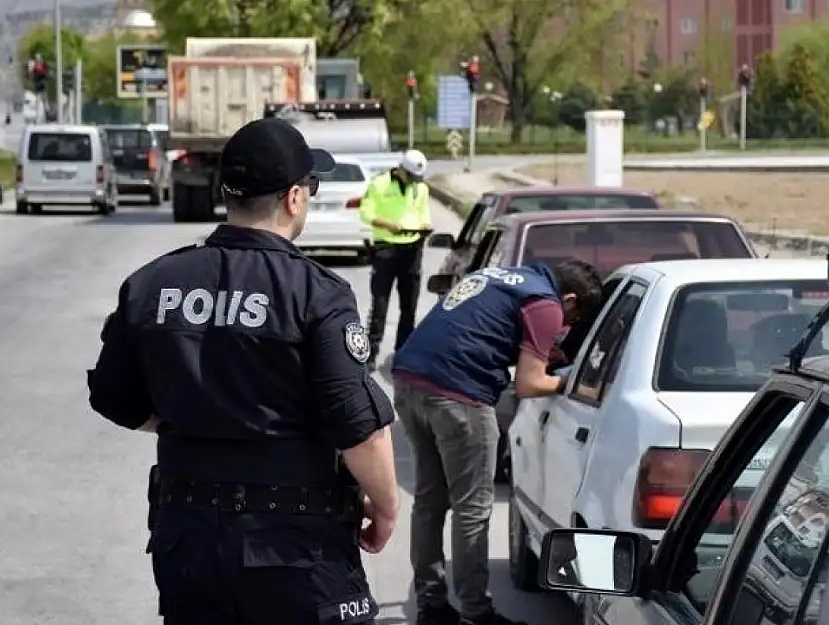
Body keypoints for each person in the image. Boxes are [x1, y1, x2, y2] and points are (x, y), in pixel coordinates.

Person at [86, 116, 399, 625]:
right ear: (294, 198)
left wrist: (189, 419)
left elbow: (113, 398)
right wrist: (385, 509)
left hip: (189, 541)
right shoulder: (316, 293)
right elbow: (359, 428)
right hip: (295, 551)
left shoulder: (151, 283)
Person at [391, 260, 604, 625]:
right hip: (459, 397)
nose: (565, 328)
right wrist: (573, 381)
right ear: (569, 299)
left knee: (429, 501)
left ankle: (433, 607)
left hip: (410, 382)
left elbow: (476, 330)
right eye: (573, 317)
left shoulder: (500, 276)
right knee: (472, 507)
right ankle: (476, 612)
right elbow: (529, 384)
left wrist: (526, 349)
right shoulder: (545, 303)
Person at [358, 149, 432, 371]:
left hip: (412, 248)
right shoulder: (380, 184)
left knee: (409, 306)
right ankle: (370, 355)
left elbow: (424, 215)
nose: (413, 182)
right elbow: (366, 212)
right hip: (386, 249)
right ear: (401, 169)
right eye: (410, 176)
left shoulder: (421, 188)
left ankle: (404, 352)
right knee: (380, 304)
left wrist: (425, 227)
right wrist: (386, 224)